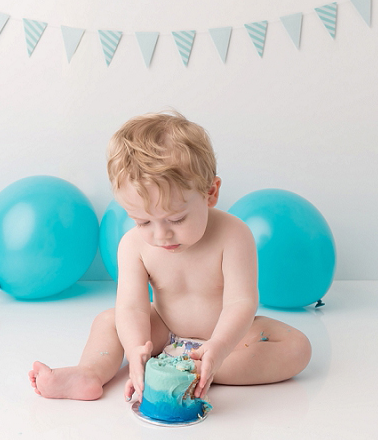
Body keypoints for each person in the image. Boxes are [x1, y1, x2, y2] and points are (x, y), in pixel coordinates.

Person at [29, 110, 311, 402]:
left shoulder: (234, 235)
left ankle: (199, 369)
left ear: (210, 192)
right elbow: (133, 308)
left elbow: (241, 303)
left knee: (296, 346)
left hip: (228, 338)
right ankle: (90, 372)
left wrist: (220, 345)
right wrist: (137, 347)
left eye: (176, 220)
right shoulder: (133, 245)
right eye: (143, 222)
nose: (161, 235)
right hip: (163, 330)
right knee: (109, 320)